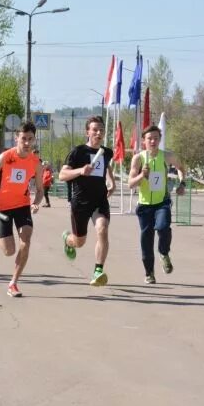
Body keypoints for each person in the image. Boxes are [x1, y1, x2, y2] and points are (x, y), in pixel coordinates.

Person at [0, 121, 43, 298]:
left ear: (34, 140)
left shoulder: (35, 162)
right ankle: (6, 240)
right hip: (2, 207)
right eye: (23, 138)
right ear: (16, 138)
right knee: (9, 251)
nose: (26, 143)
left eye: (30, 139)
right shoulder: (6, 157)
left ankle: (13, 283)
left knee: (26, 237)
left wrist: (36, 203)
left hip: (22, 205)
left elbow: (40, 189)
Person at [59, 116, 116, 286]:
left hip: (99, 200)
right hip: (80, 202)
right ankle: (67, 239)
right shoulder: (78, 152)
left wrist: (111, 181)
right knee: (79, 242)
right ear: (87, 132)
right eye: (95, 130)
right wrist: (80, 171)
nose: (98, 133)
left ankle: (98, 270)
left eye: (101, 130)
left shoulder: (107, 152)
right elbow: (62, 175)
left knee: (102, 229)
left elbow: (106, 165)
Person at [128, 124, 186, 284]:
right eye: (149, 138)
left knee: (163, 227)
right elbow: (130, 184)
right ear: (144, 141)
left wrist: (182, 183)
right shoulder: (138, 158)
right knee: (146, 239)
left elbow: (181, 168)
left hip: (162, 202)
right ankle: (149, 273)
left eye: (156, 138)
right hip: (145, 205)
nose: (153, 141)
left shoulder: (167, 156)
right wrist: (142, 176)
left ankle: (164, 253)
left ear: (160, 139)